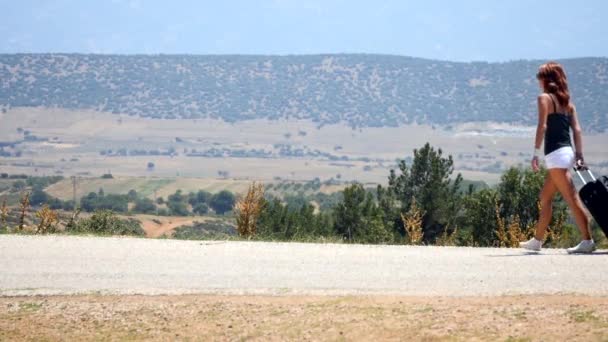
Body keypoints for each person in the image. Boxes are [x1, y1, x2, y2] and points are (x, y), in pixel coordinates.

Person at [519, 61, 595, 253]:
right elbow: (576, 130)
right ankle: (537, 241)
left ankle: (587, 241)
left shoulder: (544, 98)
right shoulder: (568, 103)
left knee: (571, 198)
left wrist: (535, 153)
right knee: (545, 197)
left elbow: (542, 126)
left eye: (540, 77)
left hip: (555, 155)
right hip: (566, 153)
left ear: (546, 79)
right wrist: (579, 155)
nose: (538, 81)